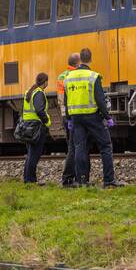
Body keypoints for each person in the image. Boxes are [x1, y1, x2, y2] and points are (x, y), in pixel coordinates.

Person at [65, 48, 122, 188]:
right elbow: (100, 100)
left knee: (79, 148)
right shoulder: (93, 76)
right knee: (106, 146)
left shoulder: (68, 78)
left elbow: (67, 101)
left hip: (76, 118)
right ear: (90, 59)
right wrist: (108, 117)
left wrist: (69, 119)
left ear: (79, 61)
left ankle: (82, 180)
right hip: (92, 117)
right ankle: (108, 181)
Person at [21, 72, 50, 185]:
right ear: (45, 82)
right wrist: (47, 121)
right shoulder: (39, 93)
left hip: (28, 126)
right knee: (35, 154)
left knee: (31, 154)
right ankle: (30, 180)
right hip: (36, 127)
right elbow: (39, 110)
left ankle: (29, 179)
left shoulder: (30, 91)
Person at [56, 52, 80, 188]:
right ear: (77, 63)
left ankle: (72, 177)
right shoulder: (74, 76)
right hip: (73, 114)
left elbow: (60, 98)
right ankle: (69, 178)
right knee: (74, 147)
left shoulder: (61, 76)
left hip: (65, 114)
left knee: (72, 146)